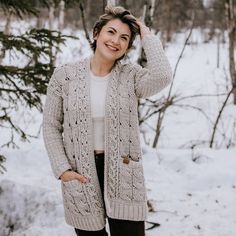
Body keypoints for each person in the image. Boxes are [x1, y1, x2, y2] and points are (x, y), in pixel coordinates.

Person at [43, 5, 172, 236]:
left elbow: (162, 76)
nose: (116, 41)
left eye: (124, 37)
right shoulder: (65, 76)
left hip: (124, 174)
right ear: (96, 33)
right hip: (80, 174)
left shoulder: (131, 77)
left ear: (127, 46)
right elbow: (51, 125)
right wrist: (63, 170)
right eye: (110, 32)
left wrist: (145, 33)